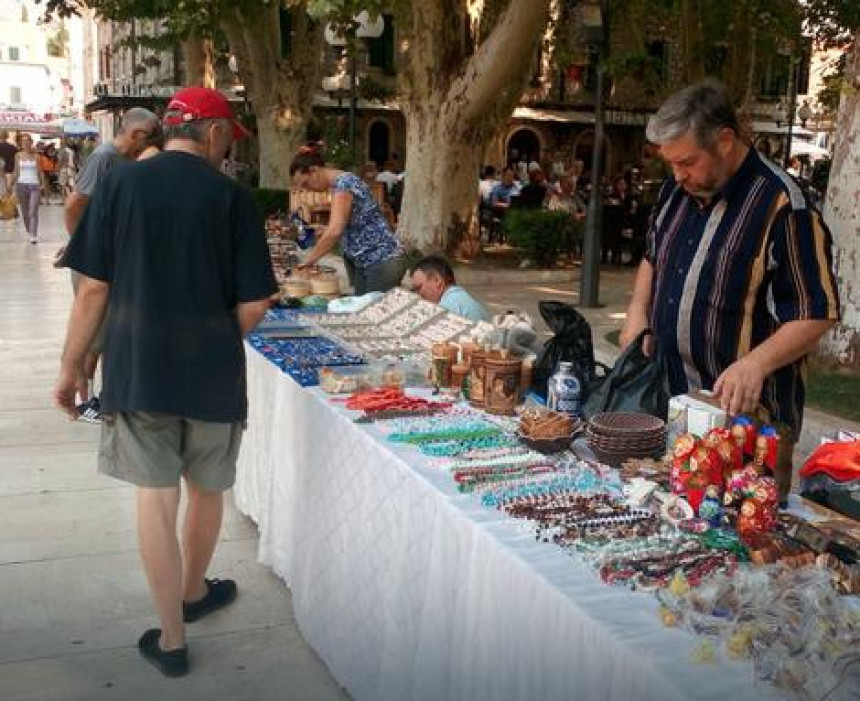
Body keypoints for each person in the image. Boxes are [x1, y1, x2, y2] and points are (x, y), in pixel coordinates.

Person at [54, 86, 276, 678]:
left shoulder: (122, 183)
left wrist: (71, 365)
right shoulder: (233, 198)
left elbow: (93, 288)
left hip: (140, 367)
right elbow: (255, 303)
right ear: (217, 134)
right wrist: (210, 335)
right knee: (206, 490)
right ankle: (194, 589)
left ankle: (173, 638)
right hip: (212, 375)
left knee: (155, 499)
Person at [619, 80, 839, 498]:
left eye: (687, 162)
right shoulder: (676, 191)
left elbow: (816, 309)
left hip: (746, 423)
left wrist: (756, 363)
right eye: (672, 164)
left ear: (724, 140)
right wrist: (637, 310)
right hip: (671, 399)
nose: (678, 174)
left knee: (737, 542)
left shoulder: (784, 206)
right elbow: (652, 255)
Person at [62, 107, 160, 423]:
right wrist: (82, 242)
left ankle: (98, 397)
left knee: (104, 334)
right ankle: (86, 401)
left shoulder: (125, 161)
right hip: (94, 259)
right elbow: (75, 201)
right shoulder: (105, 157)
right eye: (150, 138)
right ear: (137, 135)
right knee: (93, 335)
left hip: (108, 257)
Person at [290, 148, 407, 295]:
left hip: (380, 261)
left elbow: (335, 230)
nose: (307, 189)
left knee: (369, 315)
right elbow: (348, 222)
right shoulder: (341, 184)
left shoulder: (344, 184)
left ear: (314, 170)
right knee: (361, 312)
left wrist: (310, 260)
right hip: (369, 262)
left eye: (306, 183)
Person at [410, 256, 489, 322]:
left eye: (418, 287)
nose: (418, 294)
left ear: (437, 280)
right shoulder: (458, 297)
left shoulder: (448, 307)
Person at [11, 133, 46, 244]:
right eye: (23, 141)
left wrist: (43, 184)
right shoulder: (18, 155)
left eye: (27, 141)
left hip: (34, 185)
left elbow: (40, 171)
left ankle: (33, 235)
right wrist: (10, 184)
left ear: (31, 142)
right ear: (21, 143)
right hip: (21, 185)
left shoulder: (37, 156)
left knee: (32, 211)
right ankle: (29, 231)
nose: (25, 143)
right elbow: (16, 171)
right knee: (25, 212)